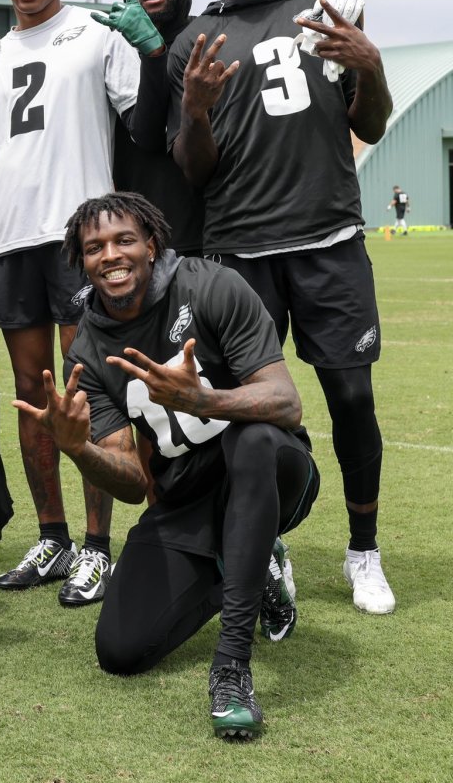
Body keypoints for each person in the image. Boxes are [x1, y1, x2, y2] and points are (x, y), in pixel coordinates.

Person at [168, 0, 396, 615]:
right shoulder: (195, 39)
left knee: (351, 398)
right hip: (237, 249)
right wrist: (196, 107)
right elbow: (193, 172)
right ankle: (266, 548)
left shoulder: (324, 14)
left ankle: (363, 551)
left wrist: (370, 64)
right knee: (249, 412)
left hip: (326, 240)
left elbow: (369, 124)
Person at [21, 192, 318, 738]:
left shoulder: (210, 285)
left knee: (252, 442)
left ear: (152, 246)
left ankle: (231, 666)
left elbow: (285, 403)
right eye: (94, 248)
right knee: (121, 650)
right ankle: (250, 562)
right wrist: (78, 448)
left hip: (272, 473)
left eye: (124, 240)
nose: (110, 255)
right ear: (81, 261)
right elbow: (133, 484)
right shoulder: (87, 351)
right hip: (186, 500)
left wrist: (204, 401)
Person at [0, 0, 141, 606]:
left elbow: (141, 118)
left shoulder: (96, 33)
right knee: (32, 396)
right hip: (9, 245)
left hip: (80, 238)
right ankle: (53, 537)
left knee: (84, 391)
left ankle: (98, 548)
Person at [105, 0, 205, 255]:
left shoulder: (206, 36)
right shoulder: (113, 47)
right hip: (143, 238)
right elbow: (146, 135)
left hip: (211, 234)